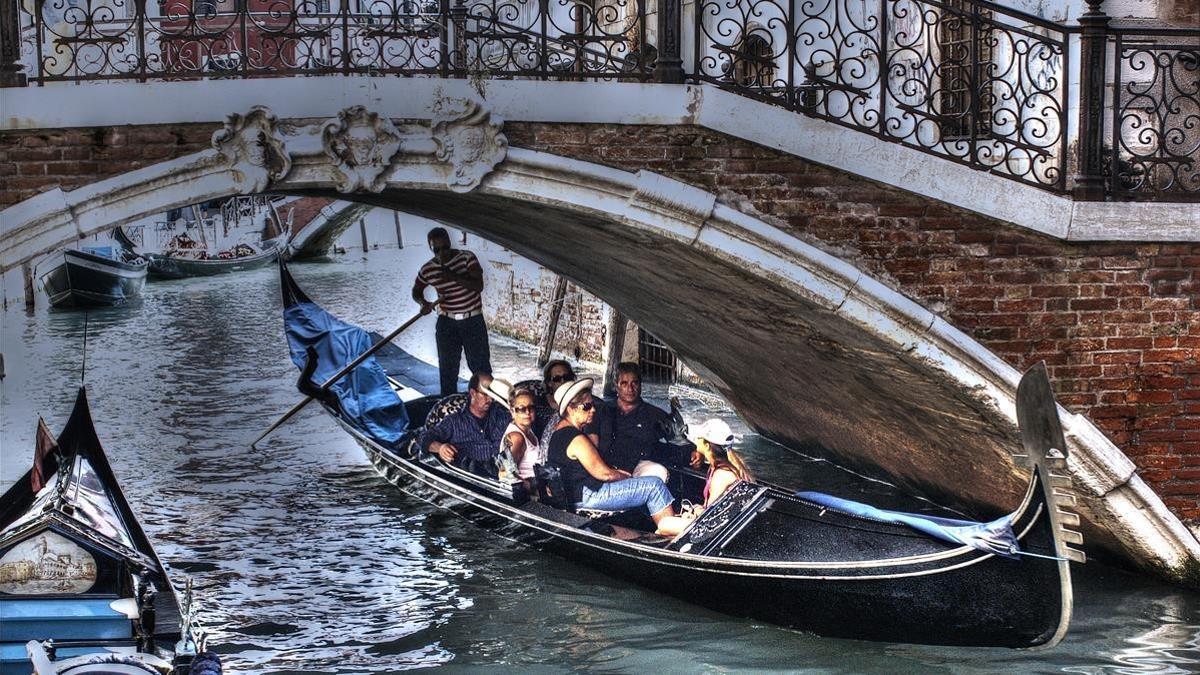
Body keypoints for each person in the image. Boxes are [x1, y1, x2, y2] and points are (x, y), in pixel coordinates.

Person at [548, 379, 693, 536]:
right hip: (588, 496)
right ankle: (675, 538)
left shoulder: (558, 433)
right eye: (587, 406)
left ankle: (660, 525)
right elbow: (604, 474)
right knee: (654, 486)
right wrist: (625, 476)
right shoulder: (577, 439)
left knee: (645, 486)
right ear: (571, 409)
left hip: (577, 494)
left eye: (593, 405)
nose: (593, 410)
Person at [412, 227, 491, 396]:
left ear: (449, 243)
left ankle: (489, 409)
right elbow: (416, 290)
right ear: (431, 249)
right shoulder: (428, 269)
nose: (442, 253)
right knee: (447, 371)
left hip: (472, 321)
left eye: (445, 247)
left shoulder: (467, 258)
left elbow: (478, 286)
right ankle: (447, 412)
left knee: (481, 370)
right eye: (437, 250)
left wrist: (453, 276)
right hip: (447, 323)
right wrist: (423, 302)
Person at [596, 363, 700, 483]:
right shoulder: (604, 411)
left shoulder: (655, 415)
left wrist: (693, 454)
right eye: (624, 384)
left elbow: (678, 439)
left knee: (659, 472)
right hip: (604, 468)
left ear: (640, 385)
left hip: (637, 468)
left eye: (634, 383)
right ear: (616, 386)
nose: (630, 389)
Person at [419, 373, 512, 478]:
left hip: (506, 475)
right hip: (470, 479)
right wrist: (440, 448)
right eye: (485, 394)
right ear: (473, 393)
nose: (490, 399)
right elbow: (423, 438)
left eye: (492, 395)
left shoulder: (502, 416)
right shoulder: (454, 422)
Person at [689, 418, 755, 509]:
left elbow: (709, 513)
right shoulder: (720, 467)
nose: (696, 439)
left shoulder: (721, 476)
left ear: (707, 446)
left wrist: (693, 513)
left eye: (699, 438)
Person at [501, 387, 544, 486]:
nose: (527, 412)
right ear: (512, 412)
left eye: (531, 407)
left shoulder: (528, 431)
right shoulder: (516, 437)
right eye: (521, 409)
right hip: (524, 496)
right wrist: (532, 489)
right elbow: (504, 473)